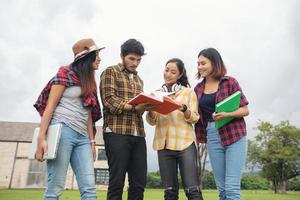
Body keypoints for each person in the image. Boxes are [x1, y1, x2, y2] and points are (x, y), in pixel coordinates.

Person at [34, 38, 104, 200]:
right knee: (55, 188)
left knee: (89, 189)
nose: (99, 59)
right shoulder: (65, 73)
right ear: (86, 57)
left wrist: (92, 142)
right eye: (97, 55)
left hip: (83, 138)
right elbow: (50, 106)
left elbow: (88, 114)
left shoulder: (90, 82)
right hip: (62, 132)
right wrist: (41, 138)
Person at [100, 38, 156, 200]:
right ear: (122, 56)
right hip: (116, 132)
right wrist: (133, 107)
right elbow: (109, 101)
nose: (135, 63)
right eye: (132, 58)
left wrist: (148, 106)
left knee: (139, 183)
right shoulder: (110, 72)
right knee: (117, 182)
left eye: (138, 60)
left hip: (138, 134)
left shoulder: (139, 81)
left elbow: (138, 109)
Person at [194, 48, 249, 200]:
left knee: (231, 189)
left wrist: (227, 114)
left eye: (203, 63)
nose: (199, 67)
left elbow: (245, 110)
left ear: (214, 63)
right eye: (198, 64)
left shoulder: (229, 82)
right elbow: (196, 115)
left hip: (234, 135)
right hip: (212, 134)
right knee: (222, 190)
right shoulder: (198, 88)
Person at [146, 58, 204, 200]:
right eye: (166, 70)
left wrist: (184, 109)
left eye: (173, 72)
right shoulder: (156, 94)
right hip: (163, 146)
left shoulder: (188, 93)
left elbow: (195, 118)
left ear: (179, 75)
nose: (168, 74)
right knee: (170, 192)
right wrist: (152, 109)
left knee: (193, 190)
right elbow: (151, 121)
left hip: (184, 144)